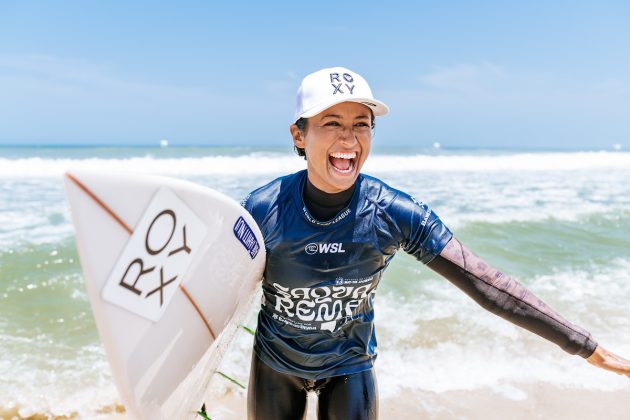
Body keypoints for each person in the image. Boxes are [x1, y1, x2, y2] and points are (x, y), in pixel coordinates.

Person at [241, 67, 630, 420]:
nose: (349, 137)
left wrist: (585, 346)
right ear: (298, 134)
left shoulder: (392, 212)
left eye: (362, 124)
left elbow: (487, 285)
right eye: (332, 122)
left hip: (350, 367)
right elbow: (202, 283)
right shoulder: (261, 210)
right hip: (276, 366)